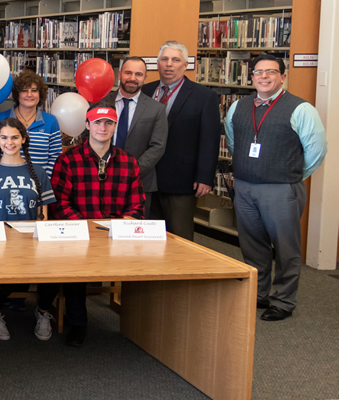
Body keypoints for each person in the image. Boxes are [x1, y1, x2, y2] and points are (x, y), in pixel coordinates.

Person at [224, 54, 327, 321]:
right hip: (245, 187)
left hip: (281, 189)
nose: (264, 77)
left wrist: (289, 173)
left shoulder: (301, 109)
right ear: (252, 77)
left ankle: (283, 300)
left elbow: (316, 151)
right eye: (259, 72)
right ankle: (259, 294)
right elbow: (234, 143)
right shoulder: (238, 107)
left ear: (283, 76)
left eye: (271, 72)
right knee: (252, 245)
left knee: (285, 247)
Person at [50, 107, 144, 346]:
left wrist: (120, 228)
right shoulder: (68, 160)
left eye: (108, 123)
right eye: (97, 122)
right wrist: (84, 229)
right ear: (87, 125)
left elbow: (137, 206)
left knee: (147, 261)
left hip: (117, 234)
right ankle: (78, 324)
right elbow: (59, 204)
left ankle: (139, 322)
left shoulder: (129, 162)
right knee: (74, 265)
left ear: (114, 127)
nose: (103, 127)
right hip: (79, 232)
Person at [0, 118, 58, 341]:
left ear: (23, 139)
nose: (9, 142)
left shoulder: (39, 173)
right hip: (0, 242)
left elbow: (44, 217)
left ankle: (43, 311)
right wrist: (1, 238)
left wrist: (37, 244)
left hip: (31, 242)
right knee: (9, 275)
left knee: (59, 272)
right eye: (4, 137)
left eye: (14, 137)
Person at [141, 41, 221, 240]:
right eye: (164, 59)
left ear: (185, 65)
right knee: (147, 234)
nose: (169, 64)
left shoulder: (204, 96)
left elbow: (209, 139)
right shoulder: (145, 91)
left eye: (176, 60)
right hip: (146, 176)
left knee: (180, 236)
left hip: (181, 179)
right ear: (157, 64)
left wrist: (205, 176)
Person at [90, 57, 169, 211]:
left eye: (138, 74)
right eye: (128, 73)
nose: (132, 78)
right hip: (99, 179)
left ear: (145, 78)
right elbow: (89, 136)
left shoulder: (156, 109)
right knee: (99, 229)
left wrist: (131, 170)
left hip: (139, 181)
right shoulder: (100, 103)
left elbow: (157, 147)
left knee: (135, 231)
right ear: (119, 75)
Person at [0, 70, 63, 178]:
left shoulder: (51, 121)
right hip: (4, 181)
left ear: (40, 93)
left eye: (34, 90)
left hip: (40, 183)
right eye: (24, 90)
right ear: (17, 94)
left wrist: (44, 181)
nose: (29, 95)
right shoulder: (0, 119)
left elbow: (55, 157)